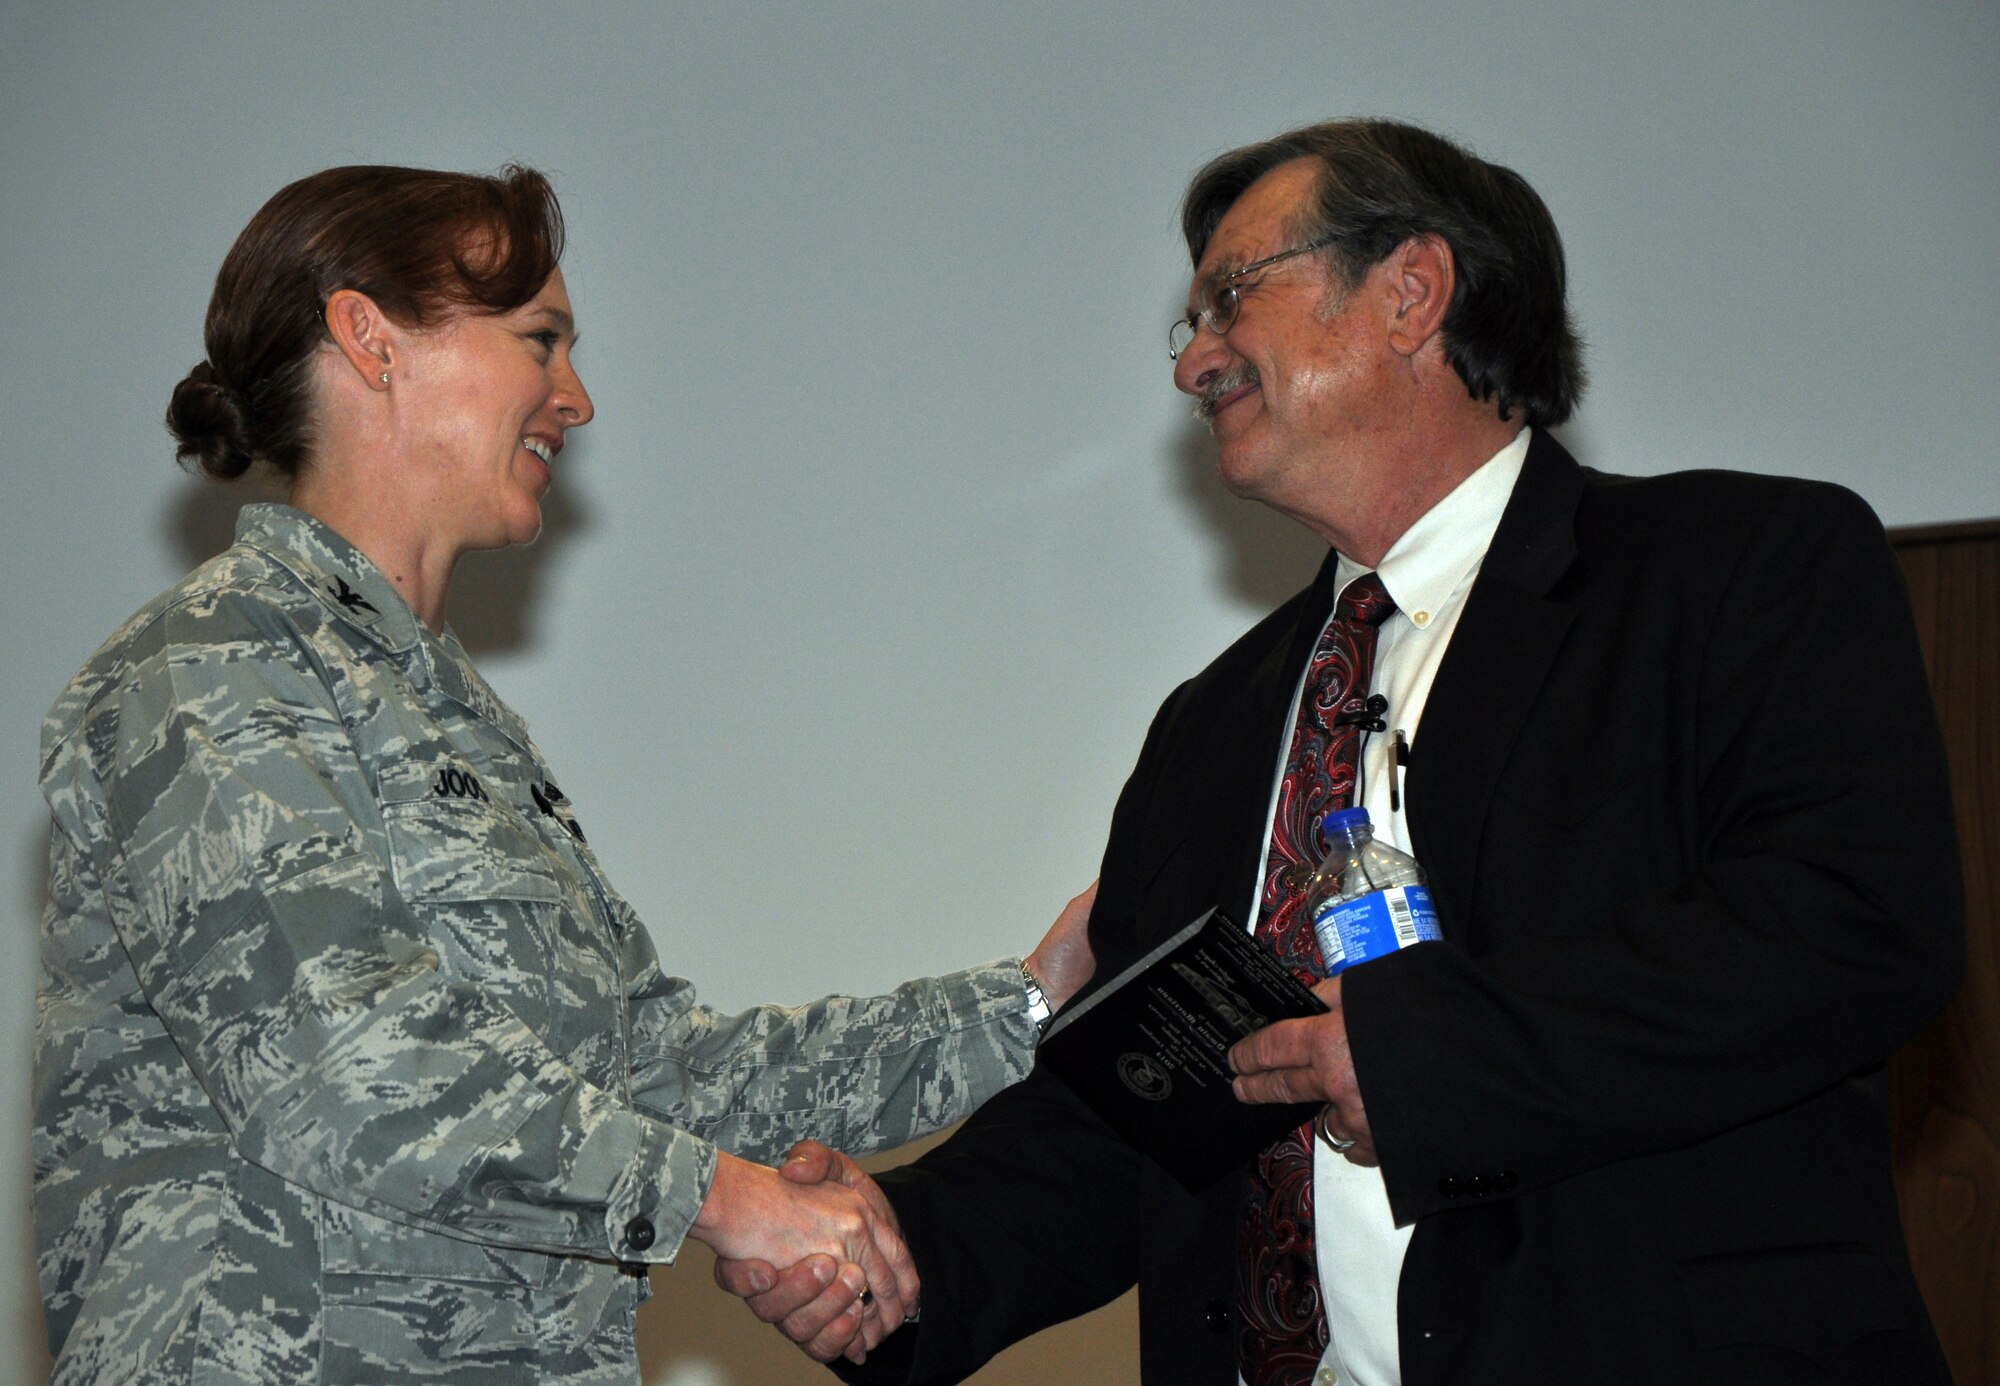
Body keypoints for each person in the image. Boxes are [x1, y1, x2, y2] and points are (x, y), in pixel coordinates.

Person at [715, 119, 1964, 1385]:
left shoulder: (1736, 570)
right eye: (1188, 322)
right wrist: (895, 1261)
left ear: (1410, 291)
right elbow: (1140, 1110)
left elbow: (1848, 930)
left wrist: (1426, 1059)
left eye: (1231, 297)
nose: (1191, 360)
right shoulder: (1211, 721)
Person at [32, 163, 1094, 1385]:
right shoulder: (213, 663)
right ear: (370, 338)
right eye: (539, 339)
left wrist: (1027, 1001)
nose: (575, 399)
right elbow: (347, 1069)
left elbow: (652, 1075)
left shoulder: (454, 719)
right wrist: (731, 1202)